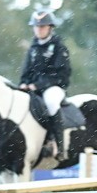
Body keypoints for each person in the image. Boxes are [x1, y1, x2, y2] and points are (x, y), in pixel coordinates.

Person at [18, 10, 72, 161]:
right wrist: (23, 83)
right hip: (33, 87)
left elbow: (62, 75)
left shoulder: (59, 47)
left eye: (42, 26)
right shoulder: (33, 48)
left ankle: (59, 146)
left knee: (51, 102)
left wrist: (38, 85)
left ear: (50, 28)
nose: (39, 29)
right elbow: (26, 71)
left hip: (54, 88)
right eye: (36, 27)